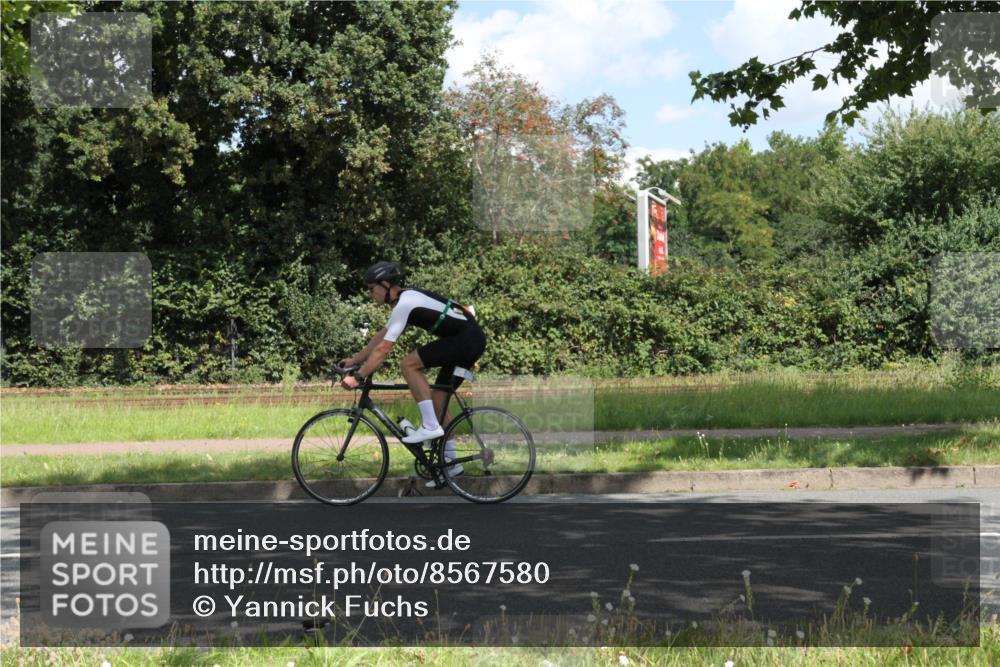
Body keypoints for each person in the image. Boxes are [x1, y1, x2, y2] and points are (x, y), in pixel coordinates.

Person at [340, 261, 486, 482]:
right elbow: (383, 336)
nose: (371, 294)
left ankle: (428, 426)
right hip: (468, 340)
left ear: (386, 284)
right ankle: (451, 463)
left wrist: (359, 377)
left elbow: (384, 349)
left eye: (372, 289)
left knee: (408, 364)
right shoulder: (405, 301)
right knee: (438, 397)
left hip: (466, 341)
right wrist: (356, 360)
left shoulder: (406, 302)